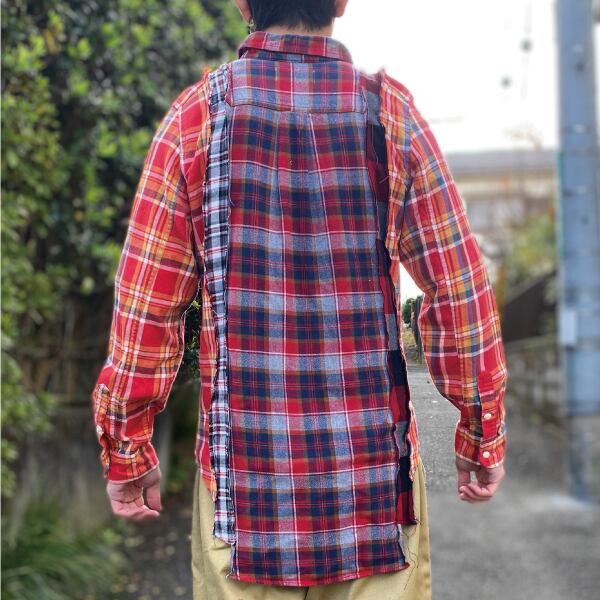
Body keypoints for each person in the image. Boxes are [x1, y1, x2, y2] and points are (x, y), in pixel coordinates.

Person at [90, 1, 508, 598]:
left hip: (243, 499)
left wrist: (127, 448)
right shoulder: (392, 119)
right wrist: (480, 433)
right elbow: (458, 288)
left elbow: (147, 305)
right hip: (375, 497)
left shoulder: (195, 119)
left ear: (243, 3)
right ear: (340, 3)